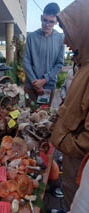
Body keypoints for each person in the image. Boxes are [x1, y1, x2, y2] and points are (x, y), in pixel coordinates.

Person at [50, 0, 89, 211]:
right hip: (71, 157)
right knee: (69, 192)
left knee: (76, 196)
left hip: (79, 160)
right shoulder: (83, 64)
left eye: (68, 33)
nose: (65, 40)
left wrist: (63, 141)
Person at [23, 2, 64, 106]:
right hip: (30, 87)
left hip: (48, 87)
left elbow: (59, 64)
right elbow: (26, 62)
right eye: (45, 20)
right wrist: (35, 83)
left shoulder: (60, 38)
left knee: (44, 118)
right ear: (41, 17)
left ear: (56, 22)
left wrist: (44, 80)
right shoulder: (31, 37)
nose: (47, 24)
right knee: (27, 117)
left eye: (51, 21)